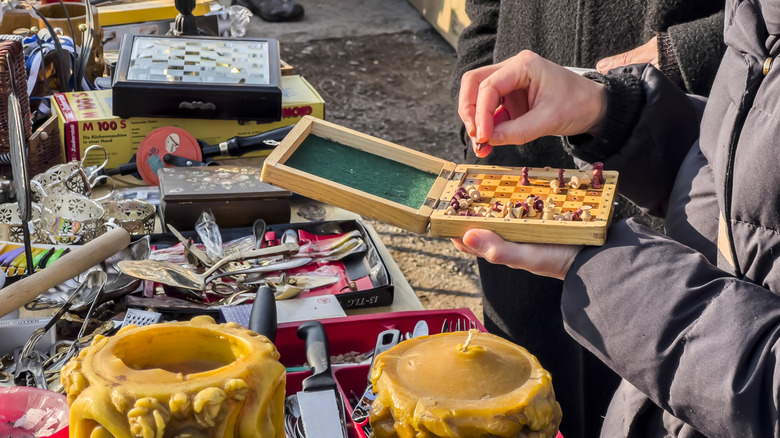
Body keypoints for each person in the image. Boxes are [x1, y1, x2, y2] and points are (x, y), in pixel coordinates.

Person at [453, 0, 780, 434]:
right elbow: (740, 182)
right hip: (549, 185)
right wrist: (616, 114)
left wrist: (605, 269)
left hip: (647, 282)